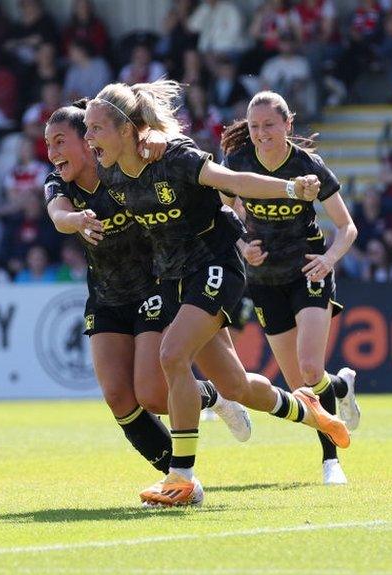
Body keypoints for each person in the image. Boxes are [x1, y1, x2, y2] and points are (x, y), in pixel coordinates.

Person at [85, 80, 350, 506]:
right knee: (236, 386)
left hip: (215, 266)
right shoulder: (111, 173)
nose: (88, 138)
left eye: (95, 129)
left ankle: (182, 479)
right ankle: (313, 413)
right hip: (171, 279)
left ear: (125, 129)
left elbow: (234, 180)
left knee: (172, 356)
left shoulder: (174, 155)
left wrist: (288, 188)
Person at [44, 100, 253, 504]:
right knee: (118, 397)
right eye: (48, 144)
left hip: (156, 286)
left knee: (154, 395)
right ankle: (180, 476)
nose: (52, 152)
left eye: (60, 141)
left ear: (89, 141)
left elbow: (171, 167)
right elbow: (58, 215)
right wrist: (76, 221)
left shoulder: (123, 169)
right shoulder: (58, 183)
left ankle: (186, 465)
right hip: (105, 295)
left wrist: (158, 138)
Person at [221, 91, 361, 485]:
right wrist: (242, 245)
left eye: (269, 125)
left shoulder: (308, 166)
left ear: (287, 125)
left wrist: (328, 260)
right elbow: (225, 214)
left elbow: (347, 226)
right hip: (264, 281)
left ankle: (331, 462)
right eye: (254, 126)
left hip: (308, 272)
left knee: (310, 368)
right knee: (301, 387)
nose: (262, 133)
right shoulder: (237, 163)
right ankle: (342, 386)